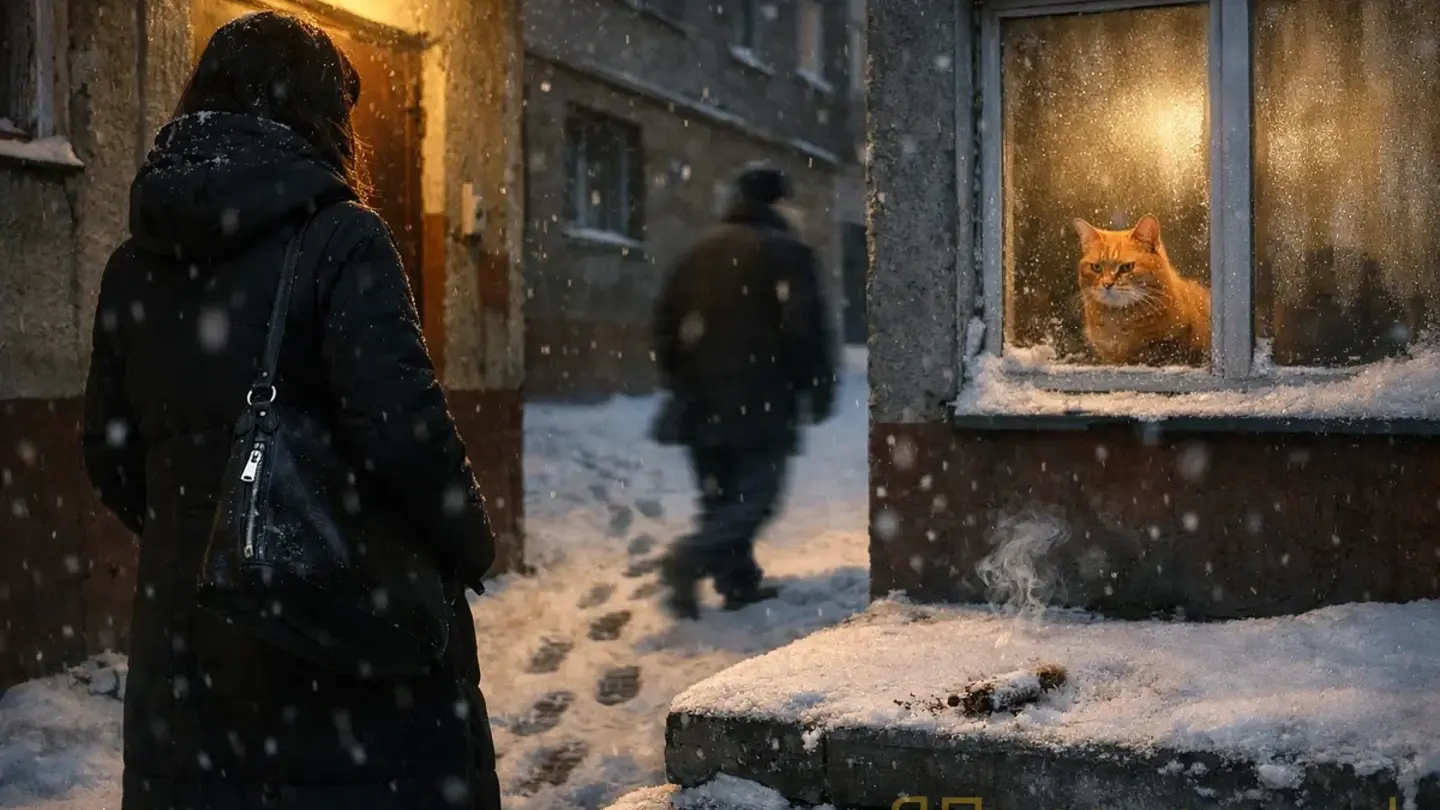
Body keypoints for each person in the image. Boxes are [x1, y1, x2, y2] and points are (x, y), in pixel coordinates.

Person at [81, 12, 500, 810]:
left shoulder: (134, 265)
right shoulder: (342, 241)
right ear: (317, 114)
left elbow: (109, 451)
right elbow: (405, 435)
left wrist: (211, 533)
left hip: (187, 661)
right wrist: (467, 544)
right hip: (336, 651)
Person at [651, 163, 838, 619]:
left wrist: (680, 376)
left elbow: (665, 322)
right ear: (779, 204)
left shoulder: (699, 252)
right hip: (760, 395)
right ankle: (688, 560)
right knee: (755, 497)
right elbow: (805, 325)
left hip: (699, 398)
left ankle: (737, 582)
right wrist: (815, 384)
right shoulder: (786, 253)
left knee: (720, 497)